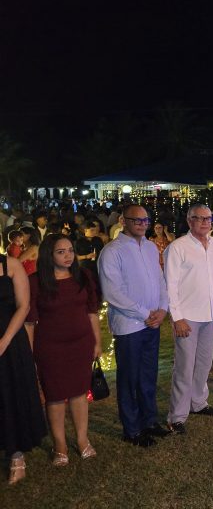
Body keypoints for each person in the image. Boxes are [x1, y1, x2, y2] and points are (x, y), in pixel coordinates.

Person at [98, 205, 171, 447]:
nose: (141, 224)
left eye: (145, 220)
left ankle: (149, 420)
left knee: (148, 375)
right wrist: (144, 313)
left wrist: (162, 309)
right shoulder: (112, 252)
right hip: (129, 325)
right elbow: (113, 292)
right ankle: (132, 428)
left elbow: (160, 280)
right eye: (136, 220)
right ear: (123, 221)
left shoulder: (150, 248)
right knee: (130, 378)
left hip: (152, 323)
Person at [28, 234, 101, 465]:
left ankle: (82, 439)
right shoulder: (36, 282)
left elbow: (92, 312)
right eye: (61, 251)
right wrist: (30, 355)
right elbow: (29, 322)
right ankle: (59, 444)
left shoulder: (84, 277)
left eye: (70, 250)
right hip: (50, 347)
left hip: (81, 344)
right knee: (56, 396)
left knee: (80, 393)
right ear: (49, 255)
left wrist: (97, 343)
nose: (68, 255)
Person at [165, 204, 213, 434]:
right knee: (184, 367)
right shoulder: (178, 247)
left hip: (209, 315)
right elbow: (170, 284)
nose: (205, 222)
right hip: (187, 317)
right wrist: (177, 317)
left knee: (204, 362)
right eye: (199, 219)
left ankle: (198, 402)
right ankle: (177, 416)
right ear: (189, 221)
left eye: (208, 218)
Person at [0, 253, 47, 484]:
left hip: (10, 340)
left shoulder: (10, 265)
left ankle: (16, 454)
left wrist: (4, 341)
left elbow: (23, 305)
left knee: (11, 393)